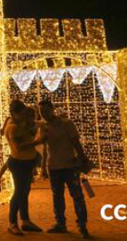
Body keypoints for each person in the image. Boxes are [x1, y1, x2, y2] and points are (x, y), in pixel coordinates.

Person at [38, 100, 91, 239]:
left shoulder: (66, 124)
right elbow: (44, 147)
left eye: (45, 110)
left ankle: (82, 225)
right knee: (57, 196)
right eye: (41, 112)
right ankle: (60, 223)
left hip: (69, 165)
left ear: (52, 109)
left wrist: (82, 159)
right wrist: (43, 166)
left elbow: (76, 143)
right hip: (54, 166)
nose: (43, 114)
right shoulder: (44, 127)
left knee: (77, 195)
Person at [2, 100, 44, 235]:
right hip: (19, 163)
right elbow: (18, 147)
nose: (25, 116)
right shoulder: (13, 128)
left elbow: (35, 126)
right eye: (22, 114)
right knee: (19, 192)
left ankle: (25, 220)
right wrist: (37, 142)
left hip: (26, 162)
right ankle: (12, 223)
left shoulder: (21, 124)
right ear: (15, 113)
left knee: (25, 192)